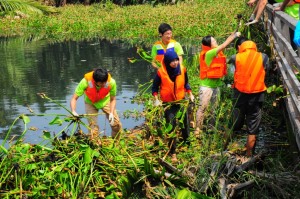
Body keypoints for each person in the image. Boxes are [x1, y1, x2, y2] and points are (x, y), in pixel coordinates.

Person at [228, 37, 269, 157]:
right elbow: (266, 70)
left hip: (239, 95)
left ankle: (225, 147)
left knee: (234, 121)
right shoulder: (264, 57)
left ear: (241, 47)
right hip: (257, 96)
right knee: (253, 126)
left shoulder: (235, 57)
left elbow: (232, 72)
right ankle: (249, 154)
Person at [152, 51, 194, 163]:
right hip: (168, 103)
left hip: (180, 101)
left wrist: (190, 94)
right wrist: (156, 100)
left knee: (185, 122)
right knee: (171, 125)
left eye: (176, 60)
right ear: (167, 62)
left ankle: (187, 143)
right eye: (172, 61)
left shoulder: (183, 69)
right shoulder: (161, 73)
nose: (175, 63)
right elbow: (154, 88)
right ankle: (173, 151)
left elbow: (186, 83)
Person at [195, 31, 241, 134]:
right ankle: (198, 128)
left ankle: (211, 127)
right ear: (209, 45)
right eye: (214, 41)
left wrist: (233, 33)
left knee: (214, 109)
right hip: (206, 86)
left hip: (216, 86)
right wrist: (234, 36)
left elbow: (223, 45)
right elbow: (224, 44)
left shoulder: (216, 52)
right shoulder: (209, 53)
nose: (216, 42)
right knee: (203, 108)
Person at [70, 68, 122, 139]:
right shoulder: (85, 82)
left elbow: (113, 99)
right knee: (93, 129)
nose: (104, 84)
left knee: (116, 125)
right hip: (90, 103)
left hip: (105, 101)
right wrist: (73, 111)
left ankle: (116, 142)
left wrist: (111, 113)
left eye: (105, 82)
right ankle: (95, 146)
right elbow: (74, 98)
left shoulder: (112, 82)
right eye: (101, 83)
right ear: (95, 81)